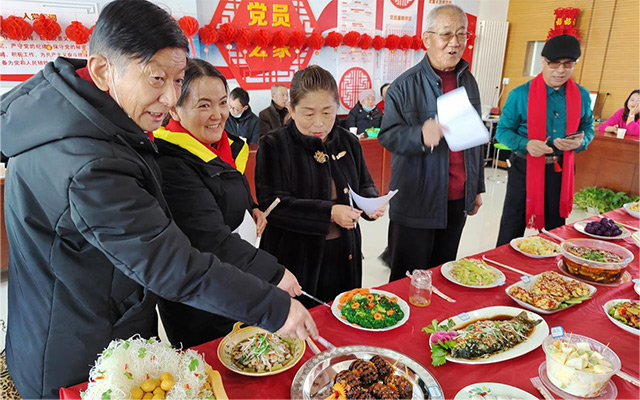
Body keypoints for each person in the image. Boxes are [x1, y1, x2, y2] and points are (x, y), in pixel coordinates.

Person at [0, 1, 316, 398]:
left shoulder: (84, 117)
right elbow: (171, 265)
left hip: (97, 314)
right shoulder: (86, 160)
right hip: (74, 347)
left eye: (178, 79)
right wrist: (273, 307)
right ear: (101, 70)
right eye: (155, 79)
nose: (169, 98)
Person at [153, 59, 303, 348]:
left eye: (222, 103)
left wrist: (252, 206)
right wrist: (274, 273)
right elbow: (210, 239)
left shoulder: (224, 146)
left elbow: (230, 186)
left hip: (238, 277)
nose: (218, 115)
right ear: (174, 109)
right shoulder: (171, 164)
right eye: (204, 105)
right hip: (203, 297)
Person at [255, 65, 385, 305]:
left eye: (327, 112)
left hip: (343, 251)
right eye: (308, 113)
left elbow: (364, 185)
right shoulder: (274, 145)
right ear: (292, 109)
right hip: (295, 256)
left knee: (344, 313)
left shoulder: (348, 141)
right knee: (299, 327)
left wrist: (370, 204)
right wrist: (330, 213)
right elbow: (273, 205)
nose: (319, 123)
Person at [378, 4, 484, 282]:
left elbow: (475, 140)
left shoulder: (468, 81)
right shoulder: (403, 86)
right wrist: (420, 136)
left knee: (443, 275)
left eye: (461, 34)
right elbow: (388, 135)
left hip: (456, 200)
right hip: (417, 202)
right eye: (446, 34)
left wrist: (476, 187)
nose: (455, 42)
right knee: (407, 279)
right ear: (427, 39)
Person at [495, 34, 594, 246]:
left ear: (574, 65)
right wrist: (527, 144)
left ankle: (547, 275)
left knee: (556, 229)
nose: (560, 71)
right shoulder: (520, 94)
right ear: (542, 62)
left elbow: (588, 127)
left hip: (561, 170)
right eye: (553, 64)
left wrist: (581, 142)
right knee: (511, 227)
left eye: (567, 65)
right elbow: (502, 131)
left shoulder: (582, 96)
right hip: (524, 168)